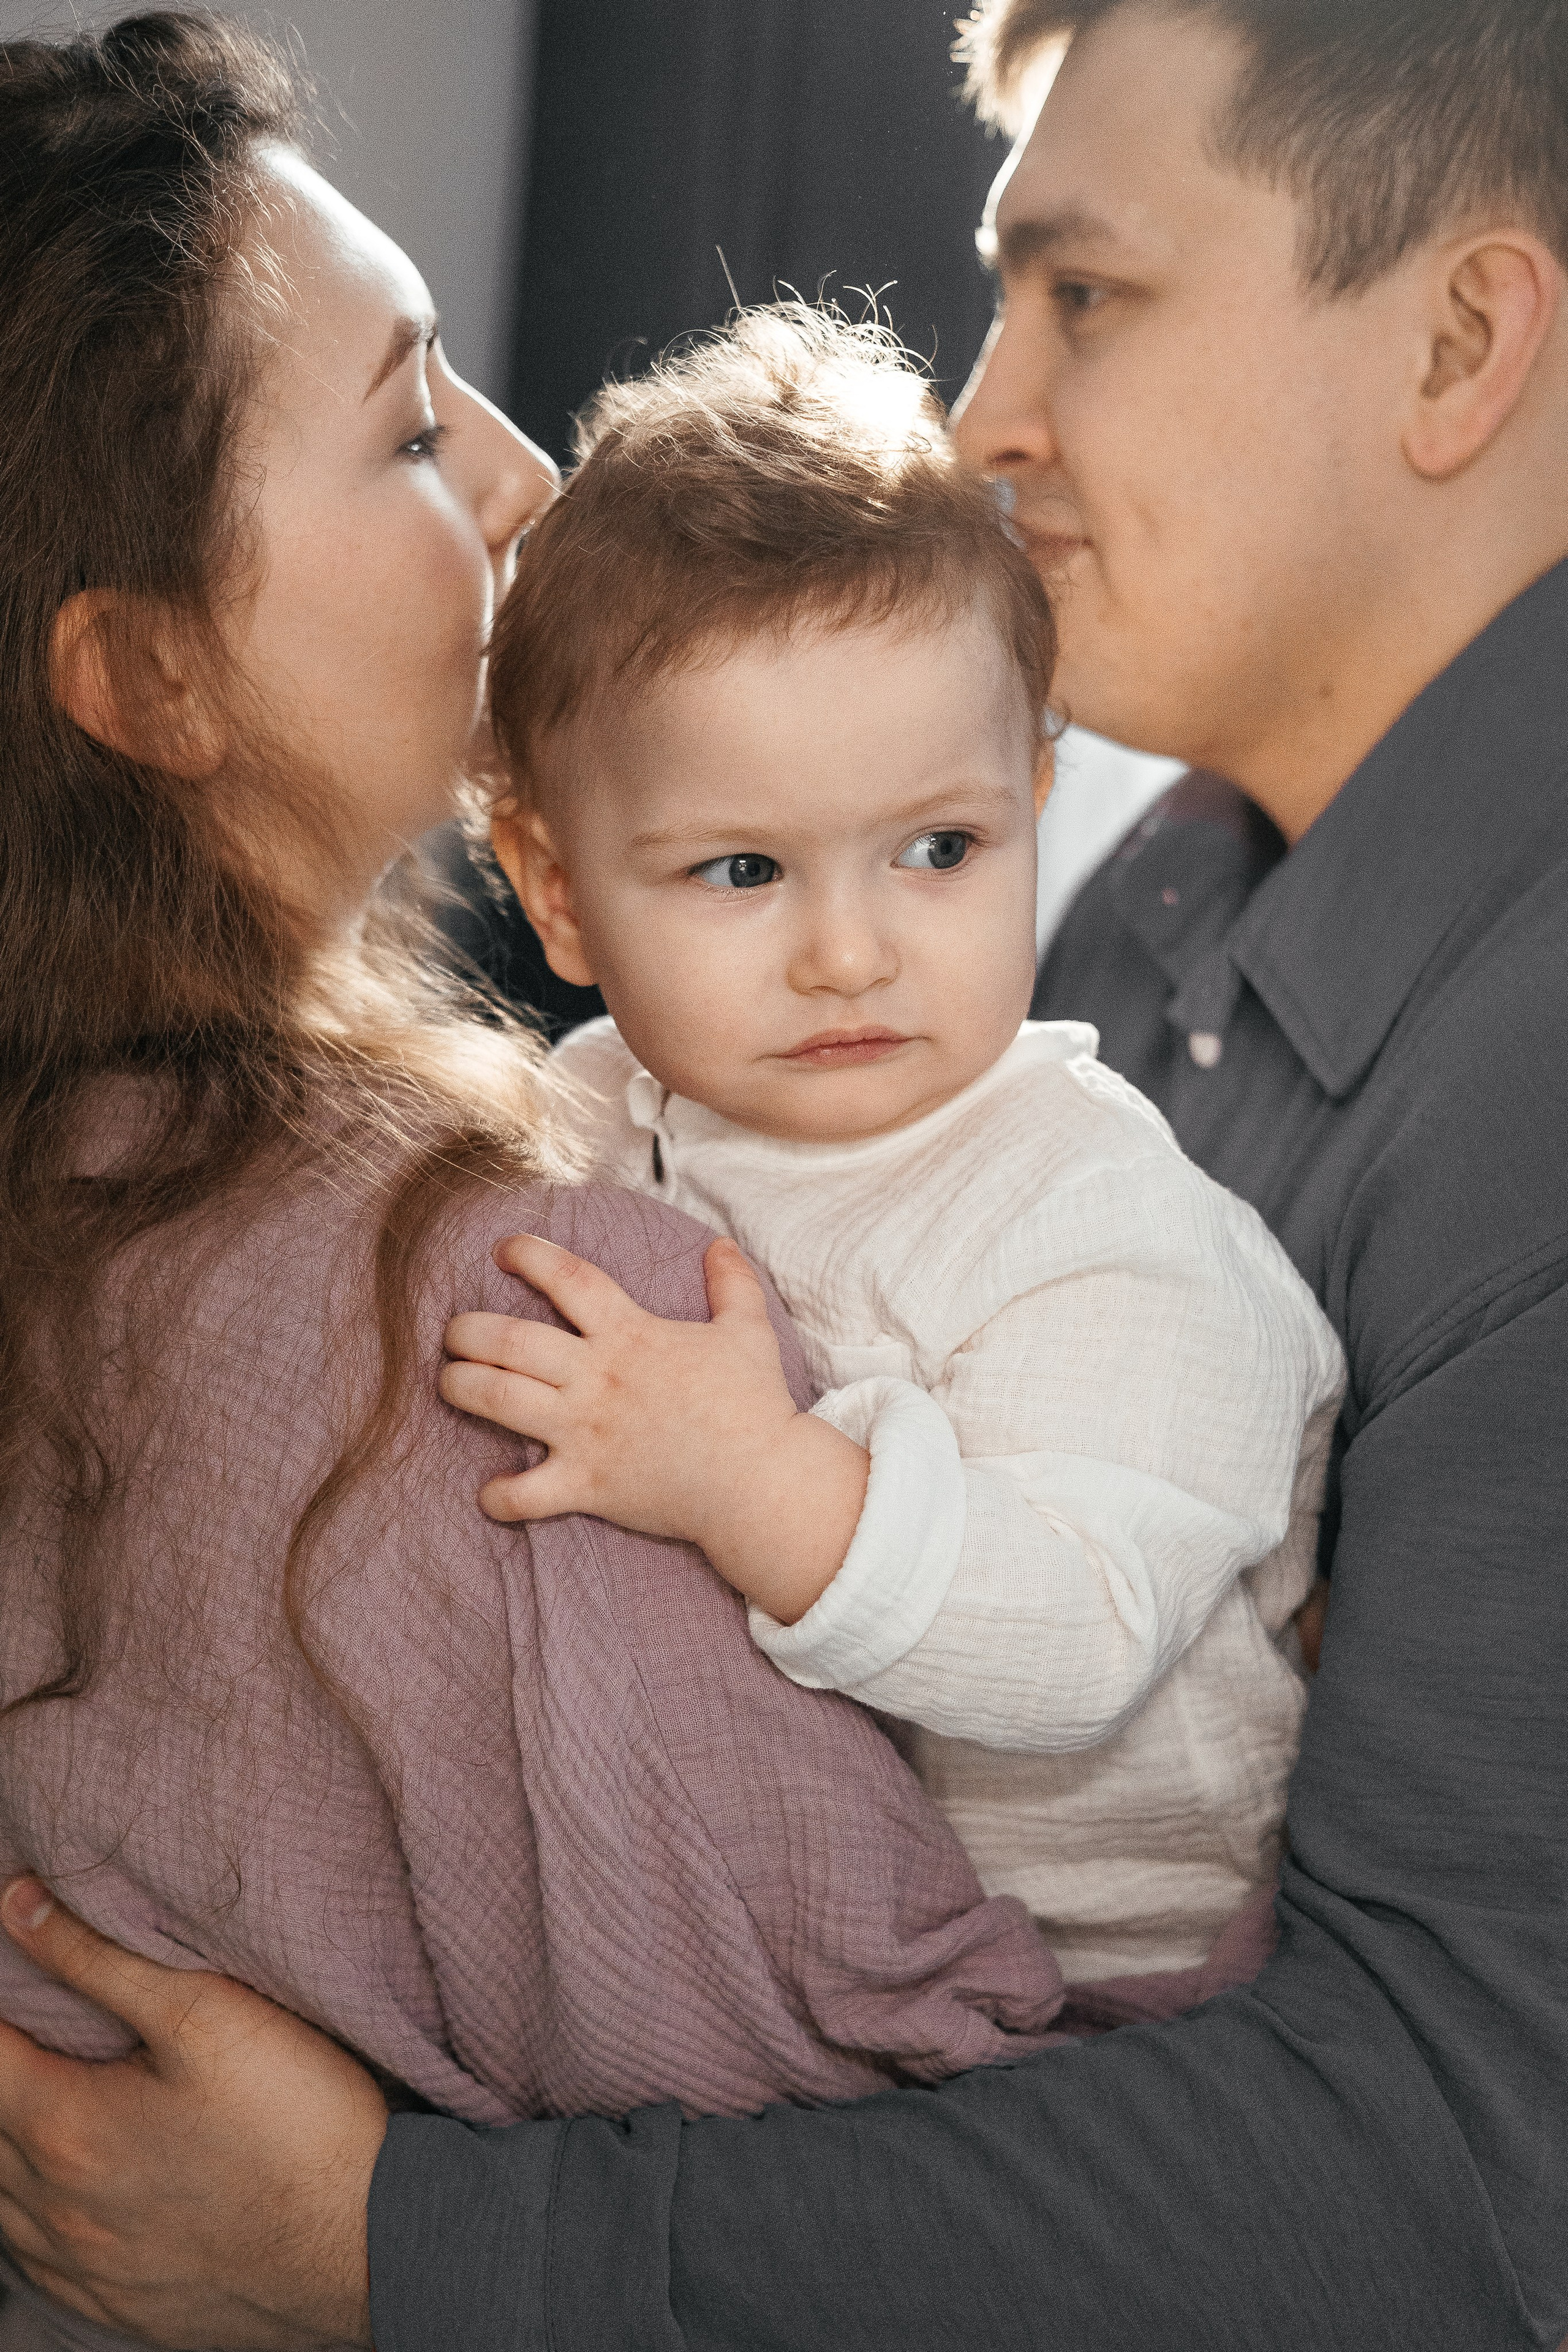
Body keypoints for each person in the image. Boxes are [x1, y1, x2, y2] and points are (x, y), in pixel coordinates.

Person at [3, 0, 1568, 2345]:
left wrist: (393, 2245)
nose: (984, 418)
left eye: (1089, 294)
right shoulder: (1098, 933)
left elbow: (1464, 2178)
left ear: (1462, 342)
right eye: (744, 870)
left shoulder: (1469, 1103)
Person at [445, 298, 1343, 1992]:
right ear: (558, 889)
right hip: (798, 1904)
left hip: (1127, 1968)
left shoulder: (1099, 1218)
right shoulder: (589, 1108)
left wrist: (758, 1487)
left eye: (938, 847)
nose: (850, 953)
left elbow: (1079, 1635)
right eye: (742, 872)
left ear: (1037, 793)